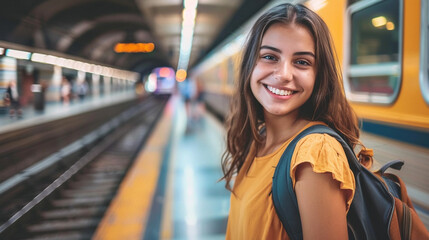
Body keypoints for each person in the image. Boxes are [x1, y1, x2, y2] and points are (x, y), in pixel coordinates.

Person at [222, 3, 373, 239]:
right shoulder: (258, 140)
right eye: (270, 57)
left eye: (302, 62)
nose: (283, 74)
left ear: (318, 75)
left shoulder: (314, 155)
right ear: (250, 65)